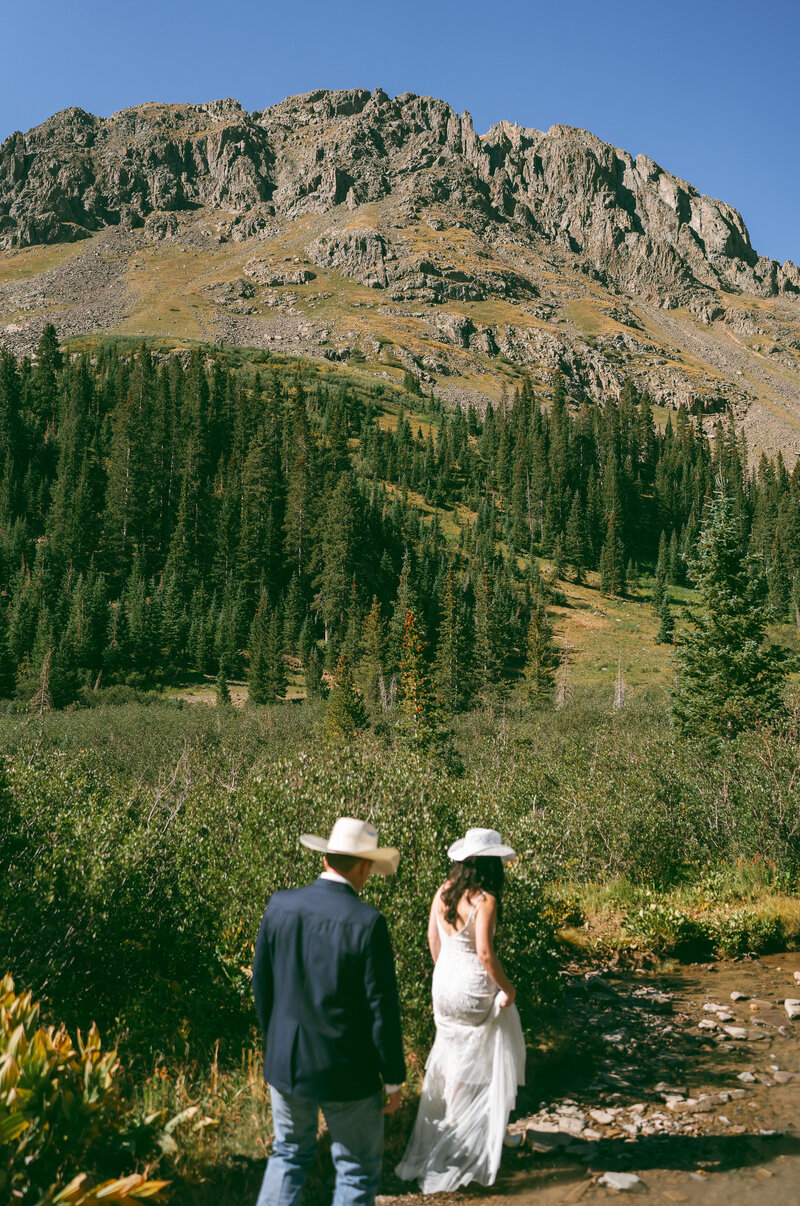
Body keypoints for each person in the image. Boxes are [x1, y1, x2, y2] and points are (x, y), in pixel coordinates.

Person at [252, 817, 406, 1206]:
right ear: (365, 867)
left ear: (325, 860)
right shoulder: (368, 923)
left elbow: (262, 986)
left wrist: (276, 1044)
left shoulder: (280, 905)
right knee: (356, 1169)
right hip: (348, 1071)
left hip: (286, 1062)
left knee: (288, 1154)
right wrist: (393, 1078)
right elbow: (381, 1009)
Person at [396, 827, 525, 1193]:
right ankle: (481, 1137)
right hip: (471, 989)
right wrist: (508, 988)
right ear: (491, 865)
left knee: (454, 1058)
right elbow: (485, 953)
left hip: (444, 986)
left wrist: (445, 975)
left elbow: (433, 940)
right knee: (489, 1054)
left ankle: (476, 1131)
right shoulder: (484, 900)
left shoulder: (443, 892)